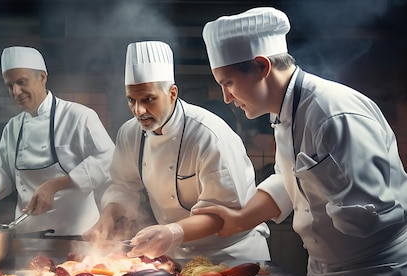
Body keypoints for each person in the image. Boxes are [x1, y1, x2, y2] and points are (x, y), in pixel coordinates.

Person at [197, 7, 407, 276]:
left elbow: (373, 214)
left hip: (379, 275)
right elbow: (292, 179)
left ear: (262, 67)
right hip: (325, 275)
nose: (226, 97)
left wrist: (335, 207)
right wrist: (239, 219)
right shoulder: (284, 115)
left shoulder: (334, 113)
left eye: (228, 83)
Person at [83, 40, 270, 262]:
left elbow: (226, 214)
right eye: (131, 100)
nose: (138, 110)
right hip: (177, 254)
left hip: (231, 254)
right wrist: (108, 216)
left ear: (172, 93)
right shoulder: (129, 133)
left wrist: (172, 232)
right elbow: (124, 186)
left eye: (148, 99)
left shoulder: (209, 134)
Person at [0, 46, 115, 236]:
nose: (16, 92)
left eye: (21, 82)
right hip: (27, 236)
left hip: (77, 235)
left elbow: (108, 160)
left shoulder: (79, 116)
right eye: (9, 86)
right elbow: (3, 169)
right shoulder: (13, 127)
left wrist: (56, 184)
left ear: (42, 77)